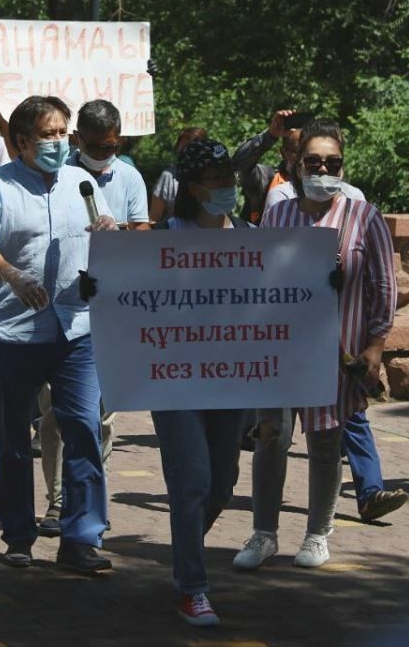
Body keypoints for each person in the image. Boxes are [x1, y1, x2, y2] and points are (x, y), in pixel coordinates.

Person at [235, 120, 399, 571]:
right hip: (281, 347)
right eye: (314, 162)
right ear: (297, 163)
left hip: (336, 349)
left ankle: (316, 534)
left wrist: (375, 346)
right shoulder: (278, 215)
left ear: (343, 165)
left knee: (327, 442)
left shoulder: (364, 216)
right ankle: (263, 533)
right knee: (271, 438)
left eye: (333, 162)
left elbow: (384, 284)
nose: (323, 169)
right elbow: (260, 276)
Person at [0, 95, 116, 573]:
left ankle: (80, 538)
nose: (57, 143)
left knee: (84, 432)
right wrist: (12, 275)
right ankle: (19, 536)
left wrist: (109, 232)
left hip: (78, 330)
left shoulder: (82, 181)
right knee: (13, 438)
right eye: (47, 135)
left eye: (62, 133)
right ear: (22, 141)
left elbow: (104, 229)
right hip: (14, 332)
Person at [37, 99, 150, 537]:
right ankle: (57, 501)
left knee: (101, 415)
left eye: (112, 144)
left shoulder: (130, 177)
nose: (105, 151)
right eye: (96, 144)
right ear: (76, 138)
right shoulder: (58, 177)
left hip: (108, 310)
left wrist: (115, 236)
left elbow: (141, 233)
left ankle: (89, 496)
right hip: (58, 308)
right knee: (54, 414)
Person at [153, 137, 250, 626]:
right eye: (218, 183)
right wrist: (100, 287)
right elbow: (132, 292)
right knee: (190, 483)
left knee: (222, 486)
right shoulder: (165, 234)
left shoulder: (251, 236)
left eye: (230, 180)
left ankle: (182, 551)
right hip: (176, 382)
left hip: (231, 379)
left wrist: (322, 284)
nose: (228, 189)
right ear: (194, 188)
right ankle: (193, 586)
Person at [148, 126, 206, 225]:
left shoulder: (211, 177)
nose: (187, 156)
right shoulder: (168, 177)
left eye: (192, 151)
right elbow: (154, 217)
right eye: (183, 151)